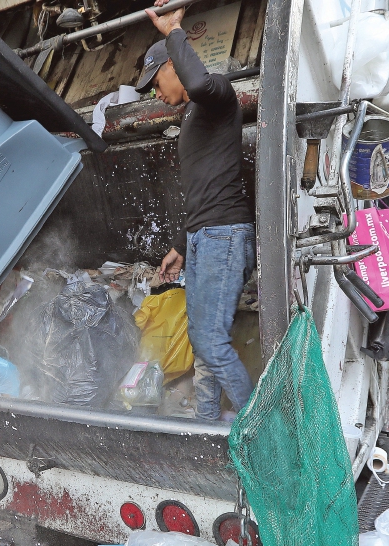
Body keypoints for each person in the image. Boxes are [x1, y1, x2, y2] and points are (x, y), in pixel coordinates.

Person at [136, 0, 256, 421]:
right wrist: (180, 245)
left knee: (211, 343)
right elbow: (199, 192)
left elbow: (200, 84)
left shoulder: (216, 96)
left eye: (155, 80)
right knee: (203, 341)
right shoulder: (190, 119)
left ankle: (265, 430)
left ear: (174, 65)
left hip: (225, 235)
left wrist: (173, 33)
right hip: (205, 238)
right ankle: (207, 425)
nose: (154, 92)